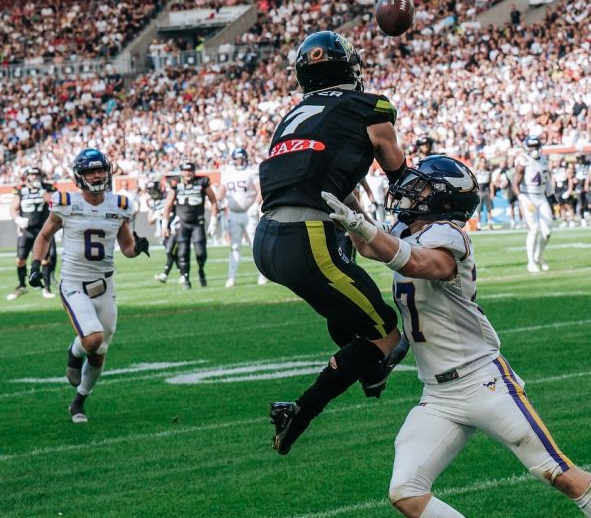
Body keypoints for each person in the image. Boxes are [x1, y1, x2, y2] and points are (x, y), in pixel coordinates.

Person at [322, 156, 591, 518]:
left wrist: (365, 227)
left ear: (445, 199)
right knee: (406, 492)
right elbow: (377, 248)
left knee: (559, 473)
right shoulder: (411, 233)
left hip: (484, 380)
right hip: (438, 392)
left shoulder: (448, 236)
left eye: (423, 190)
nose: (411, 194)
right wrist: (352, 209)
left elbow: (424, 266)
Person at [254, 30, 409, 456]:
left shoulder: (291, 116)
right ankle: (301, 411)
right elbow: (400, 176)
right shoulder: (370, 106)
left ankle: (367, 366)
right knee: (389, 337)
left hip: (267, 240)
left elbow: (314, 175)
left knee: (350, 310)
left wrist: (358, 224)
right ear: (347, 66)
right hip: (306, 240)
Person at [27, 149, 150, 422]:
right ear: (79, 176)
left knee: (99, 353)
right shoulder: (65, 203)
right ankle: (74, 353)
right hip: (73, 283)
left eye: (101, 170)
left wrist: (138, 248)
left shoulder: (119, 204)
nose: (97, 175)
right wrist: (36, 265)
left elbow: (126, 247)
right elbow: (44, 235)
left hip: (105, 283)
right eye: (91, 171)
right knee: (91, 339)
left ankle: (79, 401)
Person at [162, 161, 218, 289]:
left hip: (198, 223)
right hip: (182, 224)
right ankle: (186, 279)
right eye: (185, 171)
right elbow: (168, 205)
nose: (188, 173)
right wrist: (165, 225)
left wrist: (213, 221)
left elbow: (213, 201)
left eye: (190, 170)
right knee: (183, 252)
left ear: (194, 171)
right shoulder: (175, 184)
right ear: (181, 172)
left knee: (200, 253)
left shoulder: (202, 182)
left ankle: (201, 269)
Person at [218, 147, 266, 287]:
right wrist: (218, 202)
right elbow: (221, 192)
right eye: (237, 158)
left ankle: (262, 275)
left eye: (241, 158)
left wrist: (255, 205)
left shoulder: (251, 171)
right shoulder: (227, 172)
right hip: (233, 214)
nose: (239, 161)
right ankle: (231, 277)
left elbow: (260, 192)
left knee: (254, 246)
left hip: (249, 214)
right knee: (234, 247)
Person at [9, 168, 57, 300]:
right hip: (27, 230)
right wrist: (18, 219)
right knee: (20, 260)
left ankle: (46, 288)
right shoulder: (21, 190)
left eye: (37, 174)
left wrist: (43, 192)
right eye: (32, 174)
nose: (35, 177)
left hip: (43, 230)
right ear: (27, 176)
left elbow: (55, 203)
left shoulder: (48, 188)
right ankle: (22, 285)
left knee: (45, 259)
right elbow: (13, 208)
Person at [511, 135, 554, 273]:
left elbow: (547, 179)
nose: (534, 149)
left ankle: (538, 257)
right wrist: (523, 199)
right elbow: (514, 184)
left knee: (547, 232)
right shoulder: (523, 160)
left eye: (536, 146)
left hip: (541, 197)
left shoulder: (543, 159)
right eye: (531, 146)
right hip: (528, 196)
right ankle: (531, 262)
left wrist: (552, 196)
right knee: (533, 230)